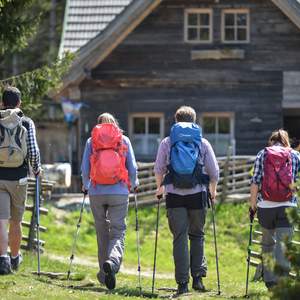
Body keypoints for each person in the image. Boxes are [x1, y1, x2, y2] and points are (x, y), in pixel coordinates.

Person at [154, 106, 219, 295]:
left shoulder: (167, 142)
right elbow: (214, 172)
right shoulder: (202, 142)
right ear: (194, 120)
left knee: (179, 238)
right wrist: (212, 192)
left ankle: (182, 283)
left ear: (176, 120)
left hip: (174, 196)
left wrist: (160, 188)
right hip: (197, 195)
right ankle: (197, 279)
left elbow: (159, 169)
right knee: (197, 235)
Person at [81, 113, 138, 290]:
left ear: (98, 126)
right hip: (119, 192)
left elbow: (85, 168)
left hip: (97, 192)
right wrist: (134, 184)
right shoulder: (124, 140)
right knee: (118, 231)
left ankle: (104, 274)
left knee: (102, 233)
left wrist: (86, 185)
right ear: (115, 124)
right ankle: (112, 262)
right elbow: (133, 167)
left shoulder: (92, 141)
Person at [250, 129, 300, 290]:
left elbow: (255, 182)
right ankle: (283, 281)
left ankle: (270, 281)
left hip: (265, 206)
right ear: (286, 142)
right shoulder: (295, 156)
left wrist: (253, 206)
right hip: (288, 205)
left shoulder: (262, 154)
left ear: (271, 142)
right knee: (284, 245)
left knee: (268, 244)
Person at [0, 86, 41, 275]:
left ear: (2, 102)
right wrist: (37, 168)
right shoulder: (26, 121)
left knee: (1, 220)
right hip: (19, 178)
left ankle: (3, 261)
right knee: (16, 221)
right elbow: (32, 150)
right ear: (19, 103)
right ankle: (15, 259)